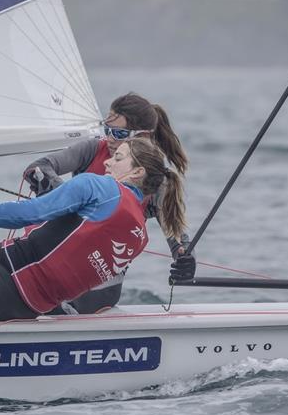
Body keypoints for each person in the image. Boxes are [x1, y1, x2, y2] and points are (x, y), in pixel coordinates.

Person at [0, 138, 186, 321]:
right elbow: (69, 246)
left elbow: (28, 213)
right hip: (24, 308)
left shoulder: (100, 187)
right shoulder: (139, 237)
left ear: (137, 171)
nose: (106, 163)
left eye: (117, 158)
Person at [24, 92, 194, 312]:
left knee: (62, 303)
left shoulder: (158, 179)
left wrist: (186, 261)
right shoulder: (92, 149)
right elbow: (38, 168)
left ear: (142, 135)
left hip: (100, 277)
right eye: (107, 130)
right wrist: (67, 197)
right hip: (59, 259)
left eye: (119, 133)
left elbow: (178, 239)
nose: (110, 138)